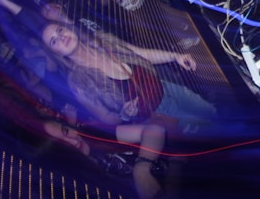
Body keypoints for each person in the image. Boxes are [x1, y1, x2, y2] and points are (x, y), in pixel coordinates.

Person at [39, 22, 217, 137]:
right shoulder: (78, 81)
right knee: (211, 132)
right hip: (159, 114)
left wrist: (175, 56)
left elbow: (141, 53)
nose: (61, 37)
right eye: (54, 41)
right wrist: (123, 115)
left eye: (60, 30)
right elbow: (105, 117)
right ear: (56, 53)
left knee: (212, 112)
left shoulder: (102, 40)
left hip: (169, 88)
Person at [41, 116, 170, 199]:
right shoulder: (81, 188)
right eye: (64, 145)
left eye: (65, 131)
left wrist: (142, 170)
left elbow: (153, 130)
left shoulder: (91, 132)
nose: (73, 141)